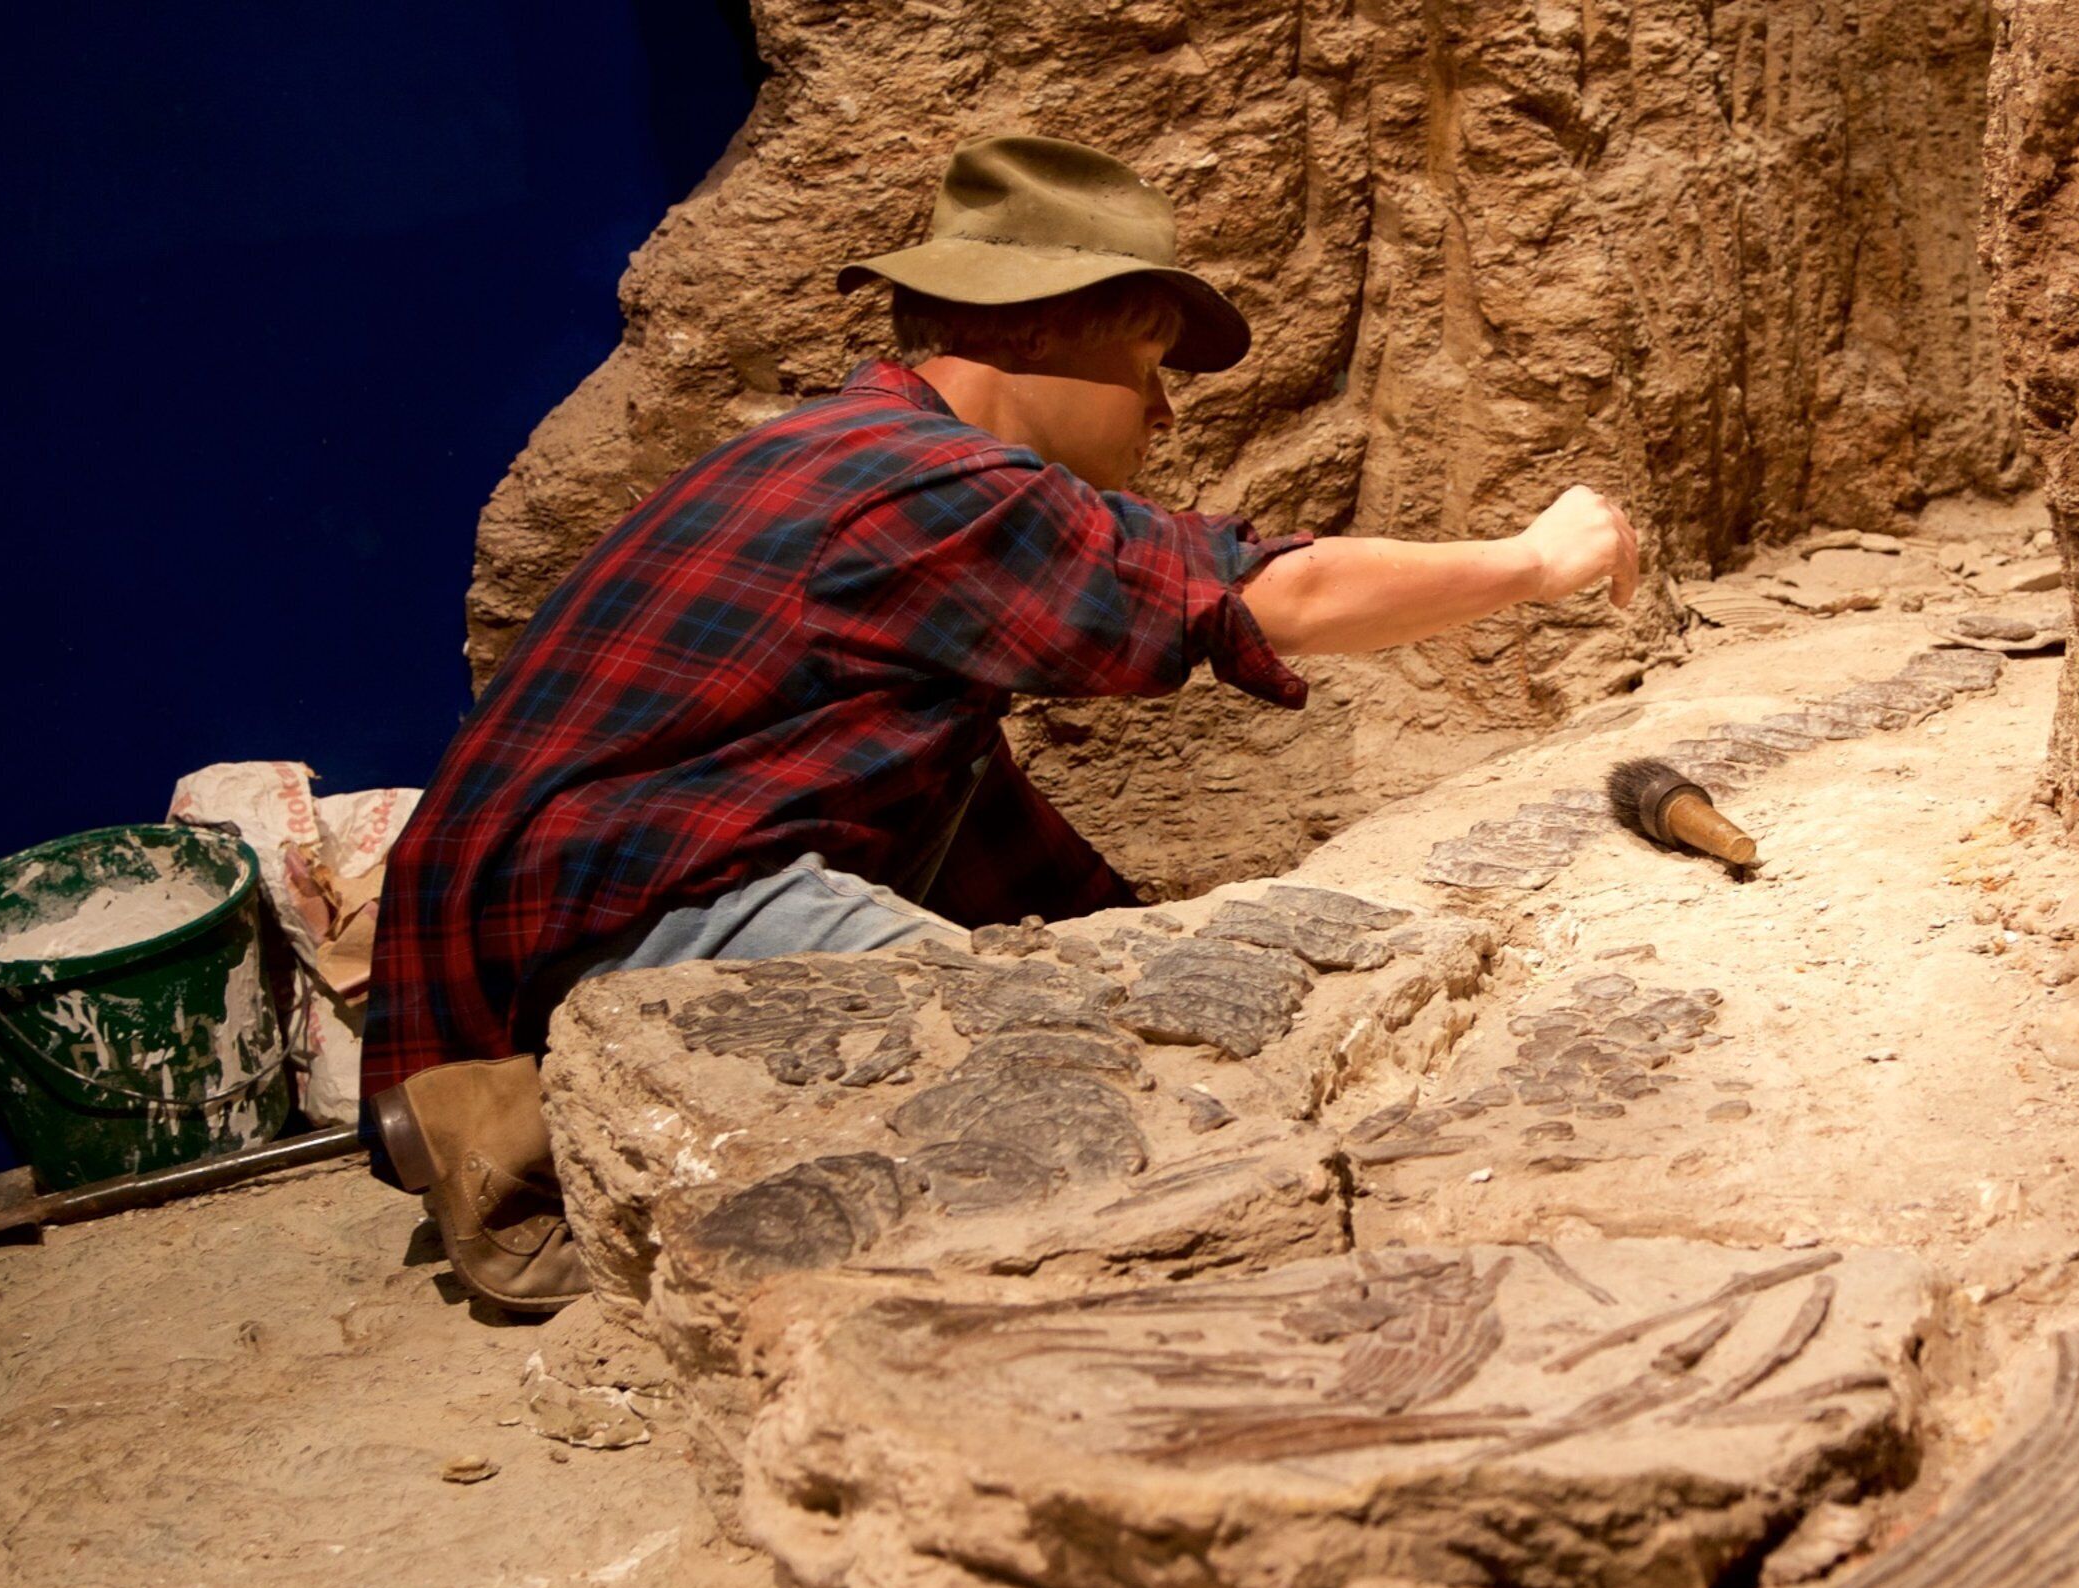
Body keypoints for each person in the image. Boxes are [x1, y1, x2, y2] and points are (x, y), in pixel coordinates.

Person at [362, 134, 1640, 1314]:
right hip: (641, 901)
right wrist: (1537, 560)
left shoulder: (844, 453)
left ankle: (559, 1089)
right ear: (1040, 335)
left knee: (1047, 939)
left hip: (598, 893)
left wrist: (1134, 960)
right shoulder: (932, 487)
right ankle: (546, 1121)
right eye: (1147, 371)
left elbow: (967, 827)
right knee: (1063, 1108)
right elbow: (1271, 593)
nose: (1165, 412)